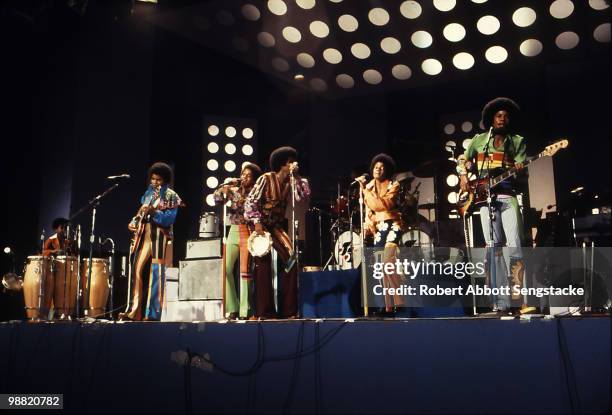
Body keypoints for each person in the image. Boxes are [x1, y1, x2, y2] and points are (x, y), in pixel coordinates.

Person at [456, 97, 531, 315]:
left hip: (507, 196)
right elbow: (463, 159)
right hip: (484, 199)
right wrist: (463, 174)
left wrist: (520, 169)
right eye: (499, 115)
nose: (502, 119)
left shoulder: (517, 141)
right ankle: (500, 302)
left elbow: (523, 172)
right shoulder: (479, 140)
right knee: (493, 247)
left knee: (515, 244)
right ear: (491, 118)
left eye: (506, 116)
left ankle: (519, 299)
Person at [245, 146, 310, 319]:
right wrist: (257, 223)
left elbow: (304, 195)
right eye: (290, 162)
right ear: (283, 164)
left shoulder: (291, 182)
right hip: (261, 227)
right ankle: (263, 312)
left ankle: (288, 310)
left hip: (276, 227)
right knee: (263, 266)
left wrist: (296, 176)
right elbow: (250, 202)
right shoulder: (266, 178)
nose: (294, 164)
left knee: (291, 260)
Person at [119, 162, 182, 321]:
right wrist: (134, 221)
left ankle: (153, 314)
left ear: (165, 180)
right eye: (153, 179)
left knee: (157, 272)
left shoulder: (171, 195)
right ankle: (133, 312)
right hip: (144, 234)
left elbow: (169, 219)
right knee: (136, 269)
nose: (155, 182)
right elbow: (141, 212)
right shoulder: (147, 194)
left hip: (159, 234)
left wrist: (154, 212)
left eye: (159, 179)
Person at [356, 153, 406, 316]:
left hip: (393, 225)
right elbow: (369, 212)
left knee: (387, 262)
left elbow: (382, 204)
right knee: (380, 266)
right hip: (378, 229)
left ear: (387, 170)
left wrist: (363, 190)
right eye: (376, 167)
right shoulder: (369, 186)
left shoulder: (394, 184)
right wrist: (367, 228)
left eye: (382, 167)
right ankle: (388, 307)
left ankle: (400, 301)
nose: (379, 169)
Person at [214, 163, 262, 320]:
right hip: (233, 229)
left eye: (248, 175)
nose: (244, 177)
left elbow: (244, 205)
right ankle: (232, 307)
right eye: (243, 174)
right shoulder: (235, 189)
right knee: (226, 268)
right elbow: (216, 199)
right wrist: (223, 188)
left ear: (254, 179)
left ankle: (245, 310)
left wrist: (231, 193)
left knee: (244, 271)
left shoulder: (255, 192)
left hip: (247, 230)